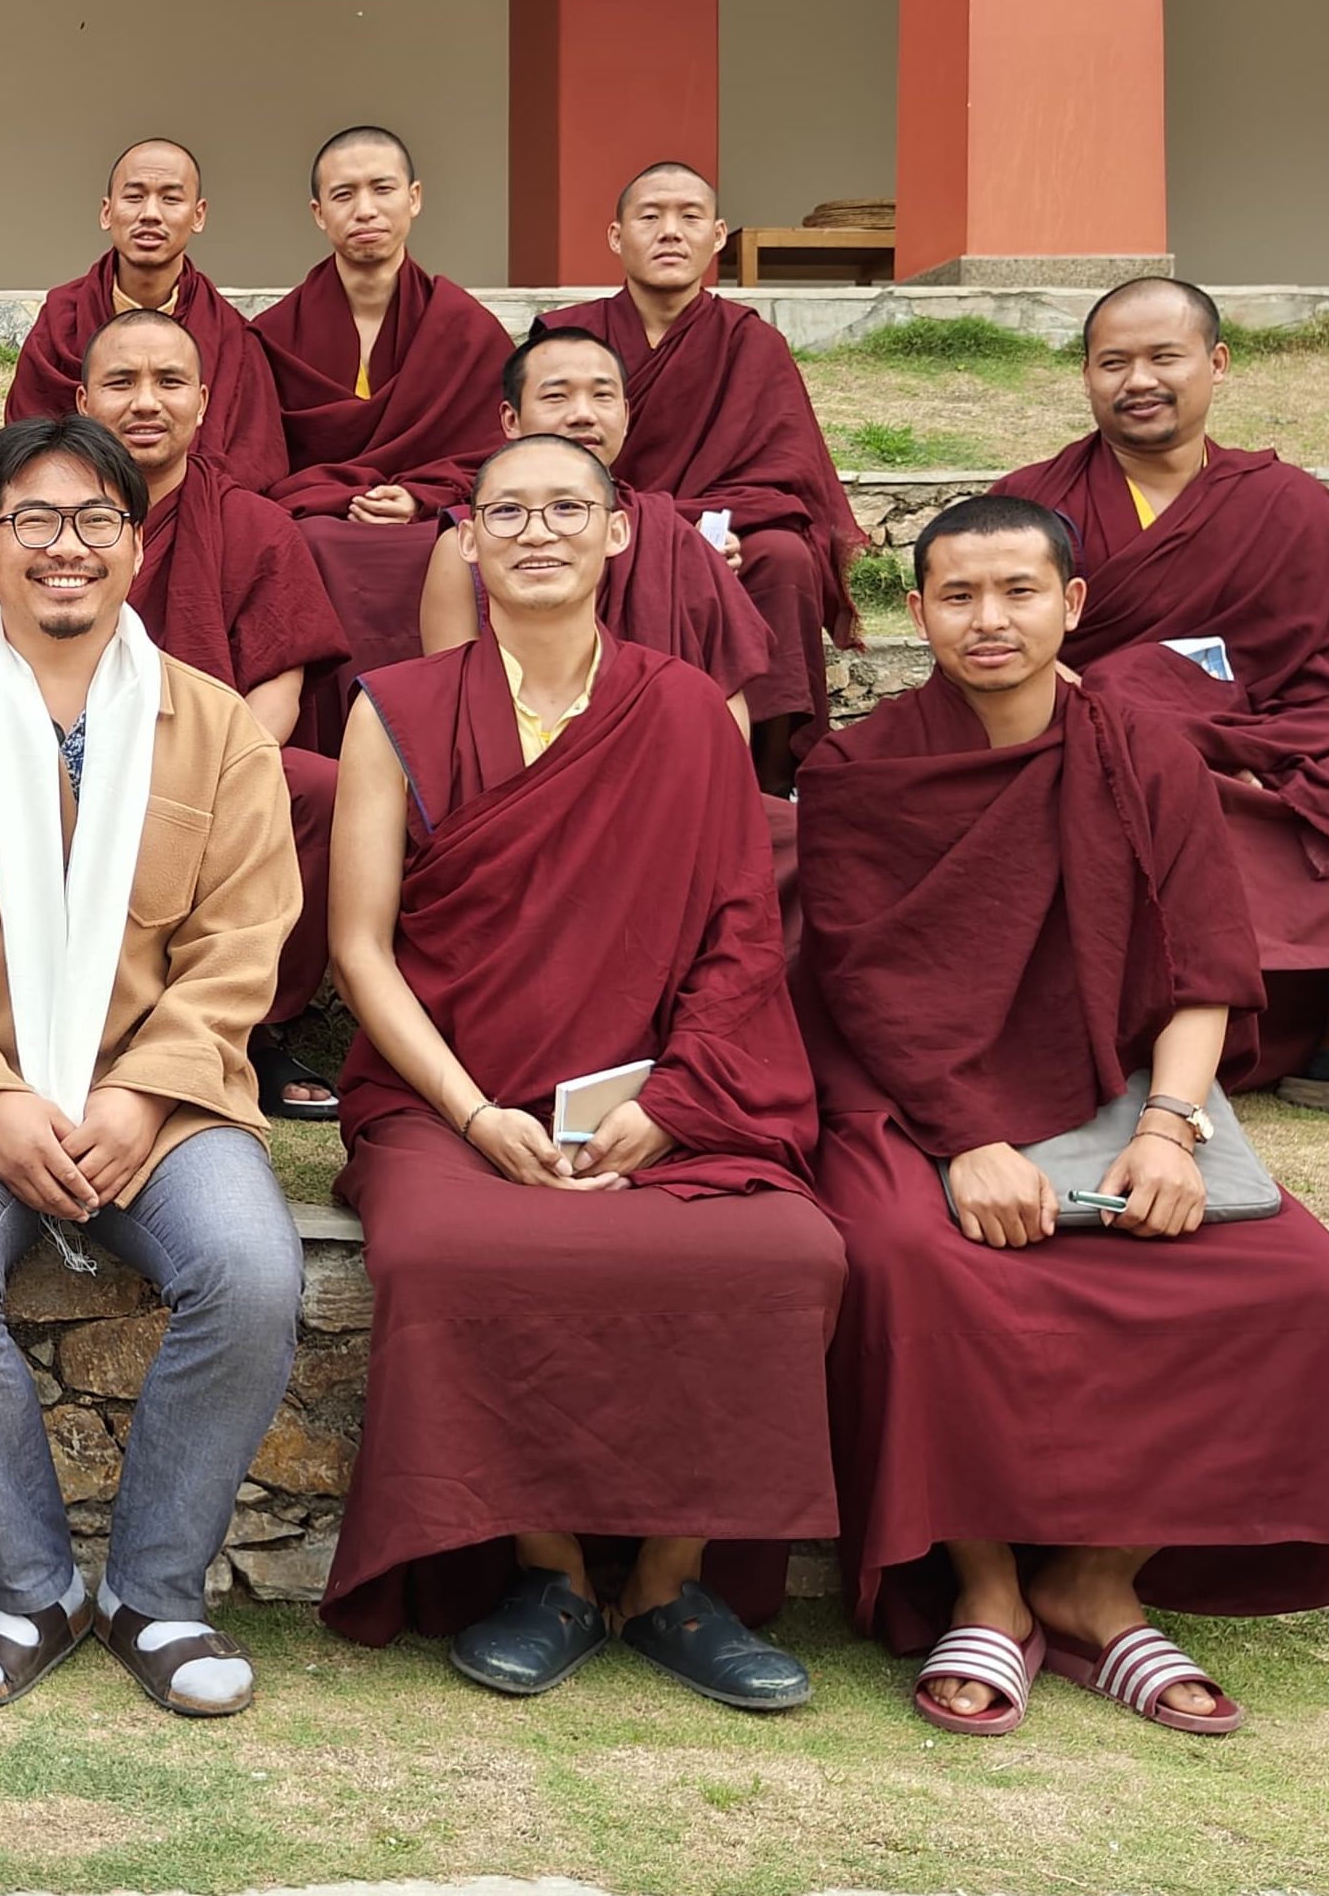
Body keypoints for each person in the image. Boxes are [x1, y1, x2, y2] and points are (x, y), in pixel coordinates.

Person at [799, 495, 1329, 1738]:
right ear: (916, 613)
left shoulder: (1146, 755)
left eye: (1019, 593)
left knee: (1306, 1291)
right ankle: (987, 1588)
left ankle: (1095, 1584)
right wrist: (970, 1141)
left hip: (1117, 1089)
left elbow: (1205, 966)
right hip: (913, 1097)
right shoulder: (859, 769)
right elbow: (867, 986)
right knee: (915, 1263)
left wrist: (1169, 1129)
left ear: (1073, 605)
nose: (990, 621)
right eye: (960, 597)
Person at [320, 433, 842, 1714]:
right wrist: (471, 1112)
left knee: (787, 1255)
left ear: (620, 533)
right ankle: (548, 1571)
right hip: (453, 1100)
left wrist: (670, 1107)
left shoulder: (681, 707)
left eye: (568, 508)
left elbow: (738, 931)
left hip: (662, 1096)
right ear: (471, 539)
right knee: (451, 1254)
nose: (537, 531)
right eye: (508, 511)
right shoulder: (395, 703)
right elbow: (356, 946)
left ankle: (672, 1580)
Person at [0, 415, 305, 1720]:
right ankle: (32, 1585)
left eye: (96, 519)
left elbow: (241, 941)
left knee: (255, 1268)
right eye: (34, 520)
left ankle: (156, 1593)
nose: (65, 546)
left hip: (160, 1093)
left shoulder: (212, 729)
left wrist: (144, 1091)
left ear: (138, 551)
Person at [992, 278, 1329, 1131]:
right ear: (1087, 376)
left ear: (1216, 364)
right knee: (1128, 771)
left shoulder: (1289, 506)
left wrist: (1269, 743)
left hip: (1270, 730)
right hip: (1101, 738)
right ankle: (1137, 1051)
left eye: (1162, 357)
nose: (1137, 379)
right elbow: (992, 640)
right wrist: (1083, 695)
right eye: (1113, 362)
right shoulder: (1031, 503)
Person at [78, 309, 349, 1120]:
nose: (146, 402)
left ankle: (255, 1028)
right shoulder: (49, 522)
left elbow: (279, 689)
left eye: (168, 383)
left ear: (203, 399)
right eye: (122, 382)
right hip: (66, 757)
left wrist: (205, 776)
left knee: (318, 791)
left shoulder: (254, 524)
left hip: (211, 765)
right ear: (83, 399)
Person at [536, 162, 864, 788]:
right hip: (597, 518)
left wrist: (718, 527)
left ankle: (768, 780)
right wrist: (666, 532)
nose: (669, 232)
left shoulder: (751, 342)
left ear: (717, 237)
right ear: (615, 236)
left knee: (785, 558)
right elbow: (537, 451)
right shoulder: (567, 336)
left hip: (726, 528)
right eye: (650, 217)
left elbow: (787, 474)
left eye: (689, 218)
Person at [251, 127, 518, 699]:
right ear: (319, 214)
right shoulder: (272, 336)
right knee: (309, 545)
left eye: (382, 188)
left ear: (414, 199)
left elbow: (498, 458)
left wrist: (422, 496)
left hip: (431, 519)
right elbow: (262, 462)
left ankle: (450, 723)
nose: (365, 209)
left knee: (453, 547)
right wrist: (338, 496)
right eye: (344, 195)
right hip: (320, 522)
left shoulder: (466, 330)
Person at [419, 324, 775, 733]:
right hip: (512, 776)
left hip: (660, 773)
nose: (583, 414)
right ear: (511, 419)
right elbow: (450, 704)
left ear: (625, 417)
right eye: (556, 395)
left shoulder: (670, 538)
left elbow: (725, 704)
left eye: (602, 395)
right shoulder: (469, 542)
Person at [7, 138, 290, 490]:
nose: (150, 214)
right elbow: (29, 446)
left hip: (198, 514)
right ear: (107, 212)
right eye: (134, 196)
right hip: (83, 515)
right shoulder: (62, 320)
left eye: (171, 198)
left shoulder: (231, 334)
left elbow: (255, 459)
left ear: (198, 215)